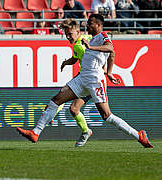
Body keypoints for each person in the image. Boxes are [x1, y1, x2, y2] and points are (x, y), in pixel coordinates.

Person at [16, 14, 154, 149]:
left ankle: (138, 135)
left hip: (95, 80)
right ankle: (36, 132)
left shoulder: (102, 36)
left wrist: (94, 52)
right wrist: (109, 72)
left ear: (98, 25)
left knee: (107, 116)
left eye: (90, 23)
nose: (87, 25)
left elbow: (111, 49)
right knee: (56, 100)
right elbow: (110, 55)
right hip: (82, 78)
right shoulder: (90, 40)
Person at [58, 18, 93, 147]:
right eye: (66, 34)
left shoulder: (82, 44)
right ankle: (86, 132)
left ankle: (50, 115)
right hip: (84, 77)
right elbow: (75, 59)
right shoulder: (81, 42)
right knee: (73, 109)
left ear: (78, 31)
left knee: (63, 96)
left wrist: (104, 70)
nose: (68, 37)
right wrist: (65, 62)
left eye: (70, 34)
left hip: (89, 80)